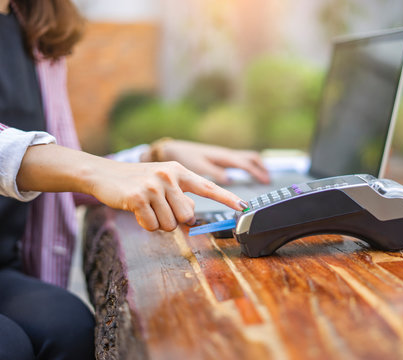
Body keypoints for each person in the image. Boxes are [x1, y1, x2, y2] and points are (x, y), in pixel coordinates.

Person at [0, 0, 269, 359]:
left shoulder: (32, 24)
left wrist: (155, 156)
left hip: (5, 266)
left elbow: (52, 171)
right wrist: (95, 172)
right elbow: (70, 168)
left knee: (70, 329)